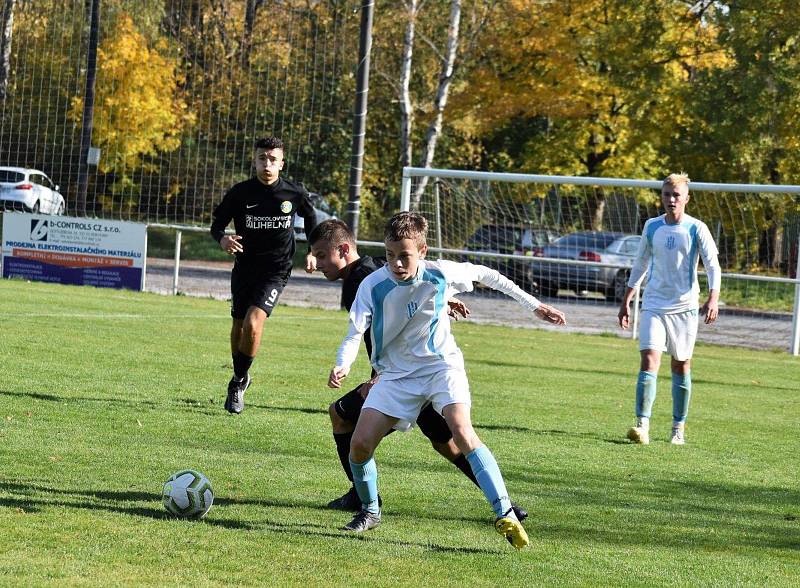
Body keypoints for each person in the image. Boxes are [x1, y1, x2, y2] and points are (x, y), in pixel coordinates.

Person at [327, 212, 566, 549]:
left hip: (440, 367)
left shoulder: (441, 272)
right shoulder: (372, 284)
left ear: (422, 251)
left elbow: (489, 275)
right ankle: (370, 510)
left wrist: (535, 306)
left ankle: (505, 511)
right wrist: (343, 364)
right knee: (360, 444)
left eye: (405, 256)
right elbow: (354, 331)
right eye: (391, 254)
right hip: (395, 375)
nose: (396, 263)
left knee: (460, 429)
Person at [210, 136, 317, 414]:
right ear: (254, 160)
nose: (267, 163)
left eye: (272, 159)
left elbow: (312, 219)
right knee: (238, 326)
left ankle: (236, 383)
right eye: (262, 158)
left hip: (276, 270)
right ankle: (241, 376)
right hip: (244, 268)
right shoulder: (240, 193)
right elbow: (217, 225)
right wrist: (223, 240)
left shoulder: (294, 193)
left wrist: (312, 250)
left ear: (282, 163)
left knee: (254, 323)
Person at [618, 173, 721, 445]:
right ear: (661, 197)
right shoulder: (652, 227)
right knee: (649, 359)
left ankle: (678, 428)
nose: (671, 199)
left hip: (685, 308)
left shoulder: (697, 228)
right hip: (653, 304)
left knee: (681, 364)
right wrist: (627, 299)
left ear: (687, 198)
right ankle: (642, 425)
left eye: (676, 195)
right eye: (666, 194)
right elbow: (640, 263)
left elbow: (712, 265)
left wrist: (713, 298)